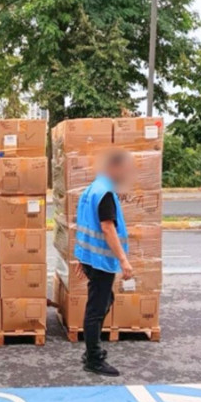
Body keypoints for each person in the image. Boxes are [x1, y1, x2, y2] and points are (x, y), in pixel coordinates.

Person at [74, 149, 134, 377]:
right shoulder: (105, 192)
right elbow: (107, 228)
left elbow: (81, 222)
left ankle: (91, 348)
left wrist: (80, 256)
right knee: (96, 309)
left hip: (90, 257)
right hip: (100, 260)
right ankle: (93, 358)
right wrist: (123, 260)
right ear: (115, 168)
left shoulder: (92, 189)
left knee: (105, 300)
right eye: (125, 170)